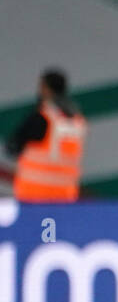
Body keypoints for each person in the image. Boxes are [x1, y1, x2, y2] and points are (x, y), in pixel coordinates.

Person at [5, 69, 87, 204]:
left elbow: (13, 146)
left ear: (45, 88)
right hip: (64, 196)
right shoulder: (78, 122)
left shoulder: (42, 118)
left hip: (34, 195)